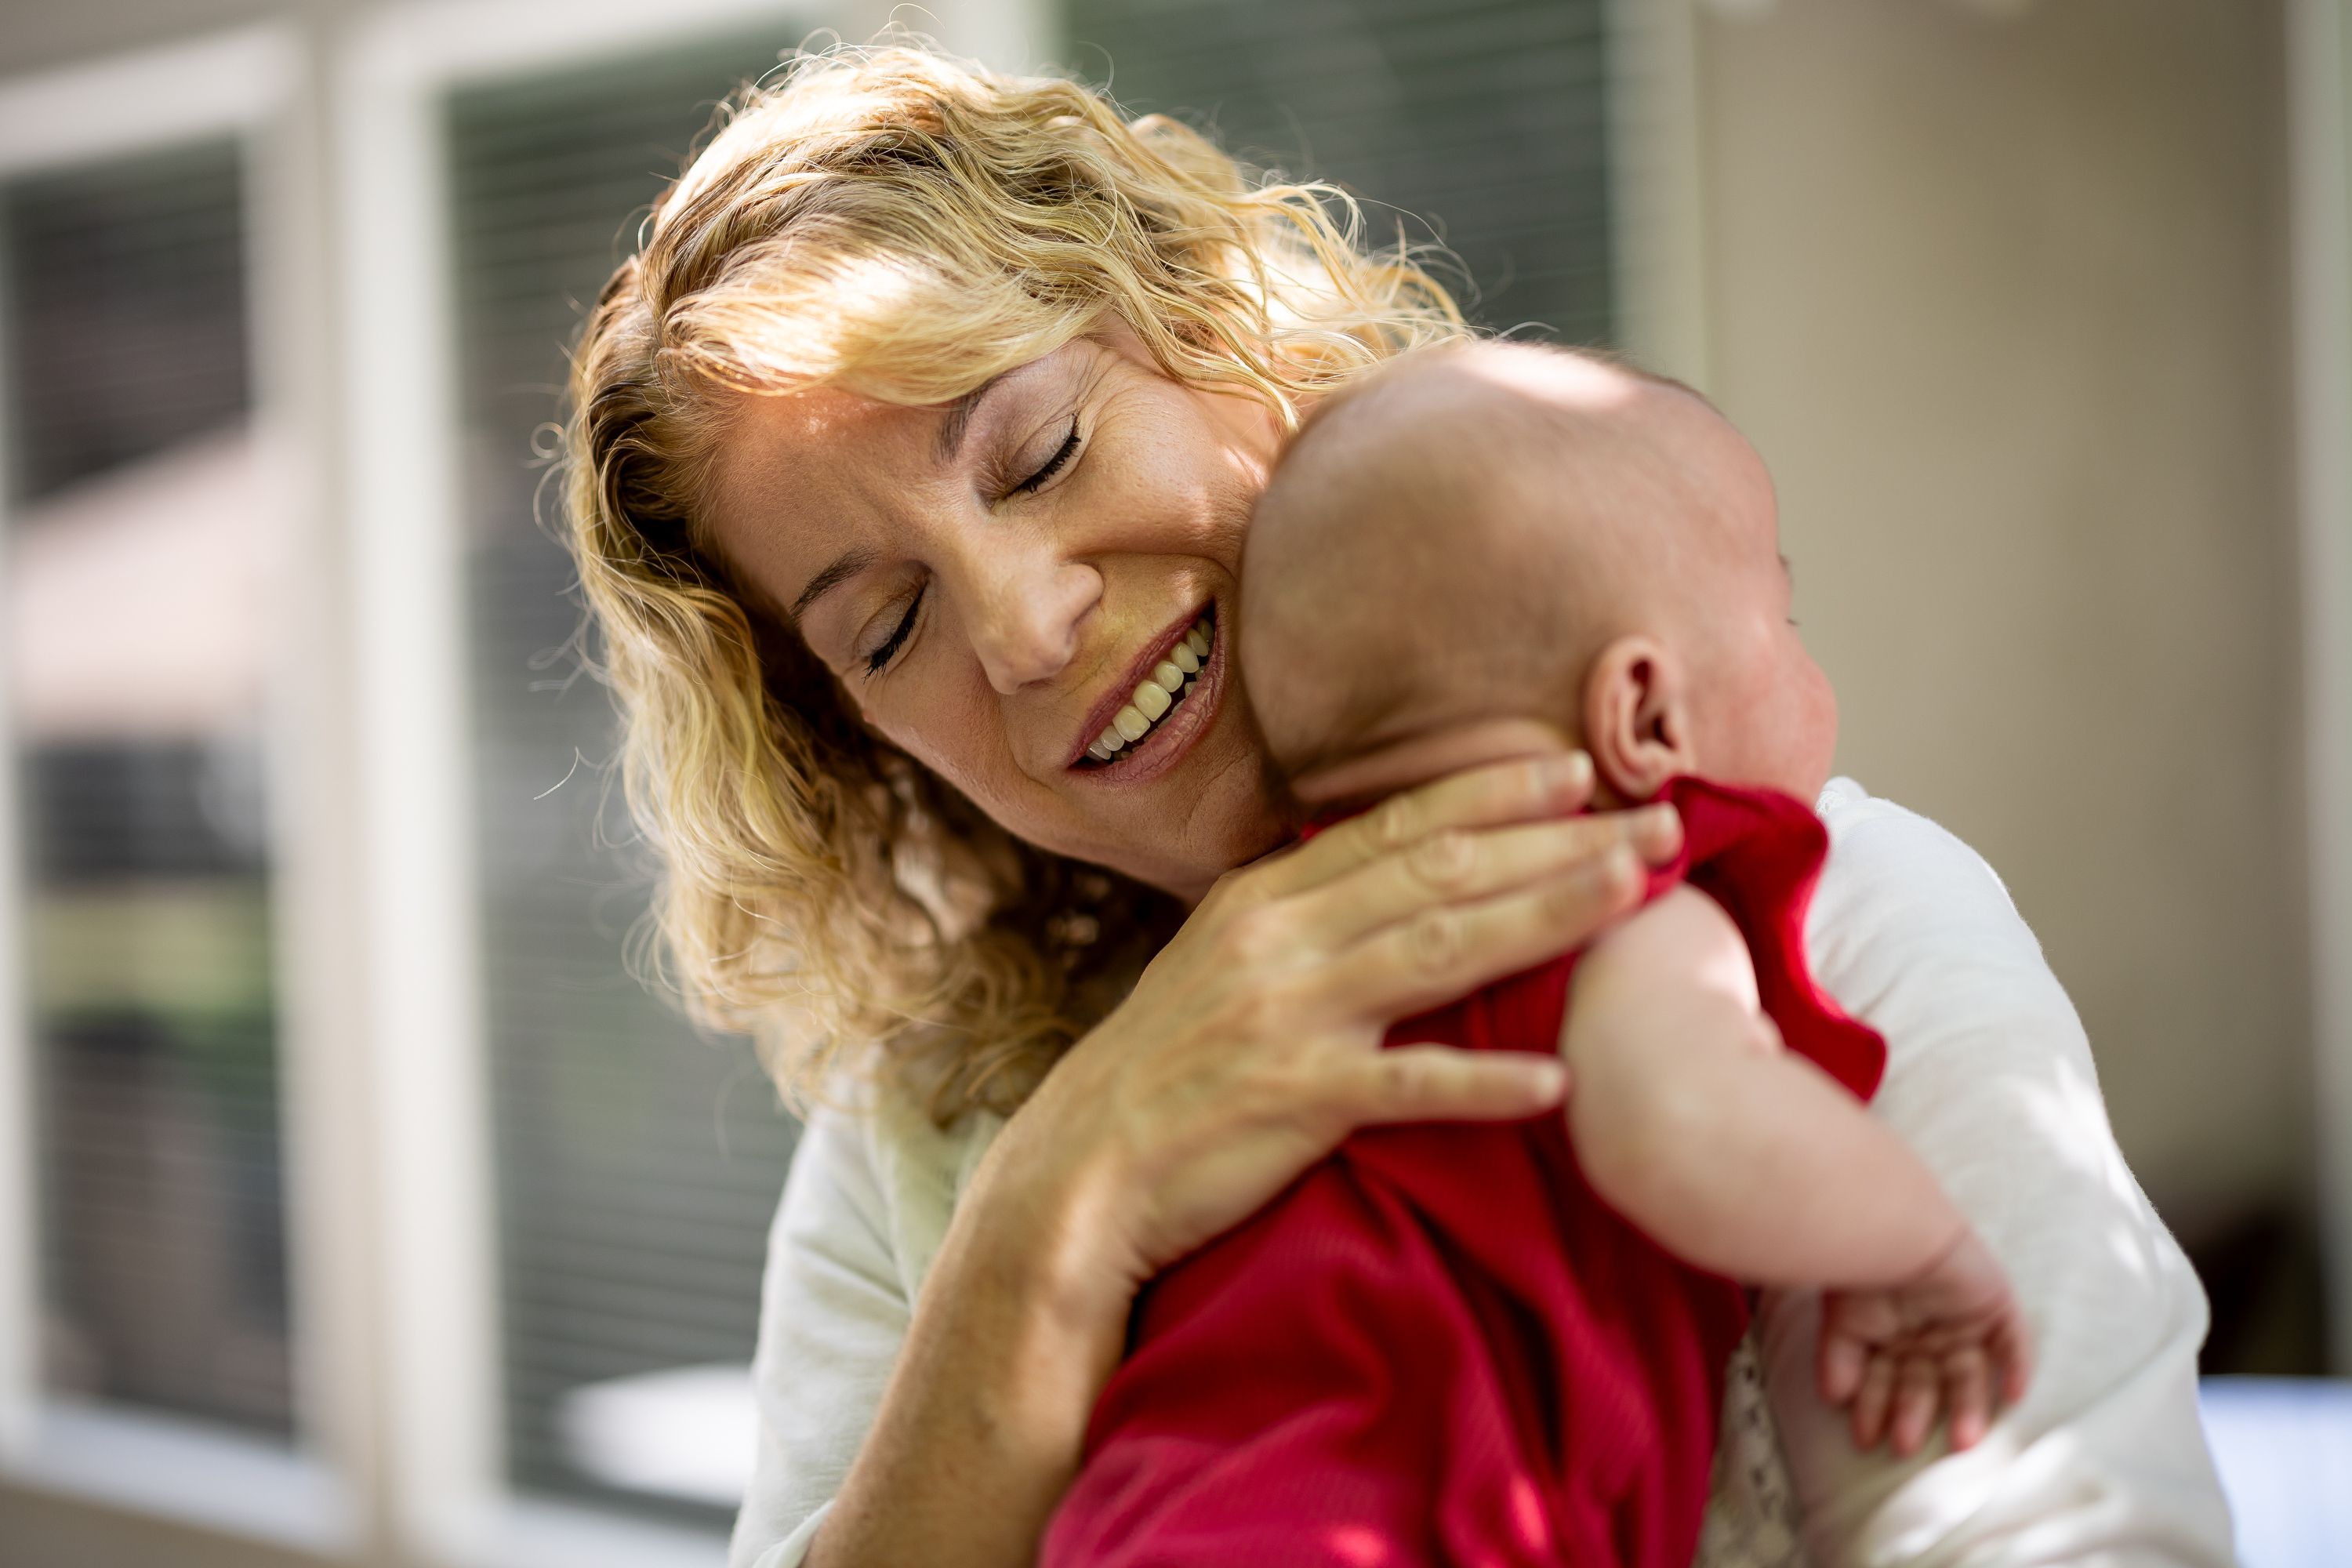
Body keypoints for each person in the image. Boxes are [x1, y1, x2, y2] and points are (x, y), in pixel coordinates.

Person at [560, 42, 2230, 1568]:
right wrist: (1056, 1204)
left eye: (1044, 448)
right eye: (892, 628)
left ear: (1221, 331)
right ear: (854, 742)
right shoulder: (923, 1136)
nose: (1023, 622)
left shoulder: (1808, 925)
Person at [1043, 342, 2032, 1568]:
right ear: (1646, 718)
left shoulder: (1248, 969)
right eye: (1784, 621)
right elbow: (1684, 1117)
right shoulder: (1598, 894)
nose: (1805, 660)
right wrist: (1917, 1243)